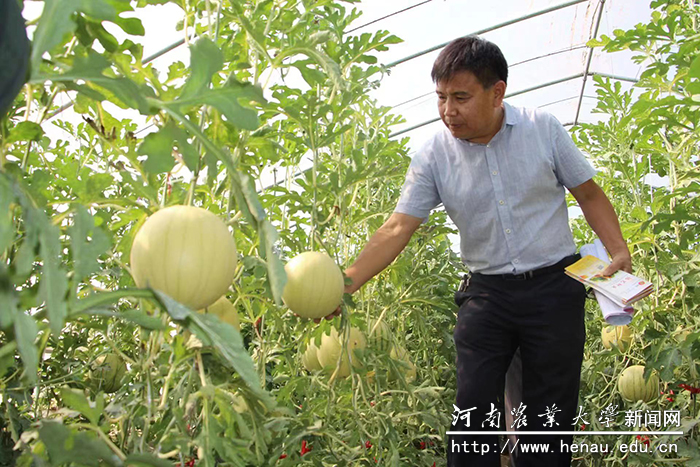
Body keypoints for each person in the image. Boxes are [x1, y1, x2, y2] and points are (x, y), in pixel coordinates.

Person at [324, 35, 631, 466]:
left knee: (548, 416)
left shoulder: (543, 129)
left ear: (497, 92)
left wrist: (618, 250)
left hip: (554, 287)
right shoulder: (432, 155)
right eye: (441, 97)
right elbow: (397, 228)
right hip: (487, 295)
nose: (449, 110)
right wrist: (345, 284)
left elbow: (589, 194)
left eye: (461, 97)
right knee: (472, 414)